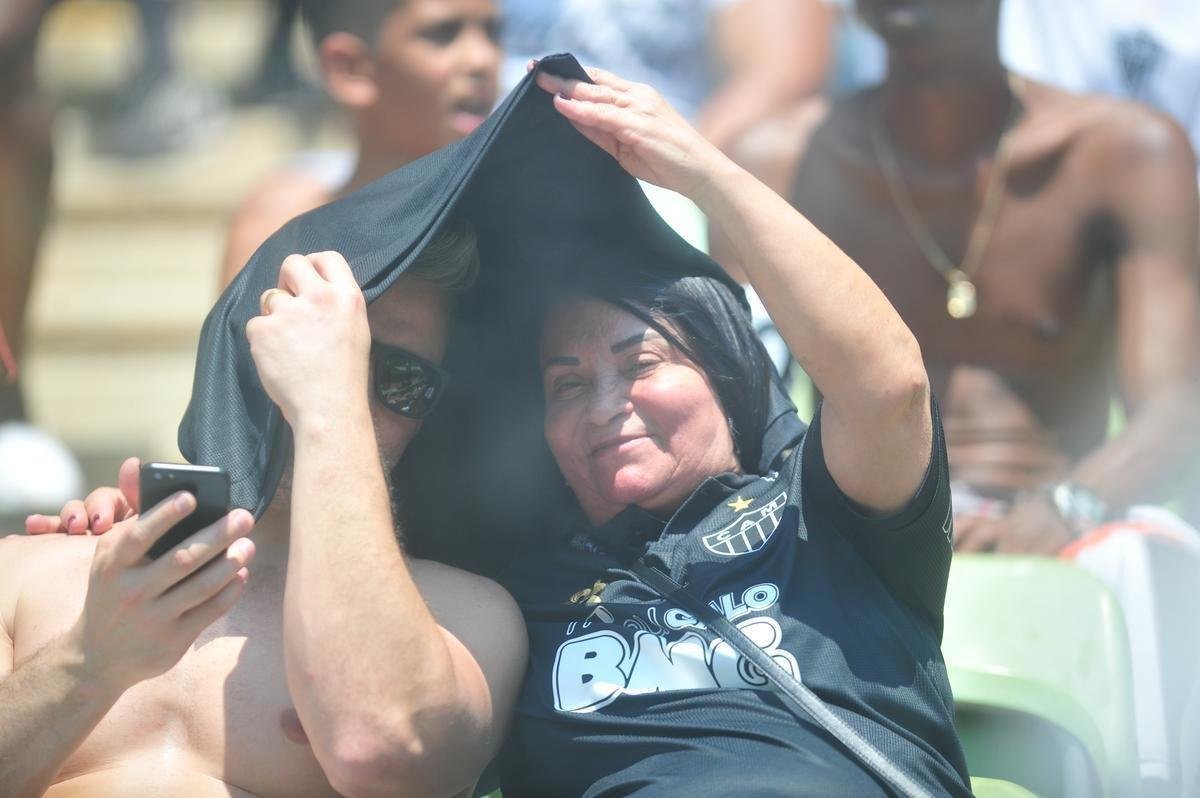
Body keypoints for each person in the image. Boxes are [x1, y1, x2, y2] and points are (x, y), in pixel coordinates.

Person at [35, 55, 971, 794]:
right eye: (563, 384)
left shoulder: (825, 514)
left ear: (728, 373)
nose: (603, 400)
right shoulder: (515, 589)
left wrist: (703, 174)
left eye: (640, 362)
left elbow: (887, 388)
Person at [724, 0, 1200, 792]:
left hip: (1069, 517)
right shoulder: (777, 163)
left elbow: (1178, 410)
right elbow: (745, 413)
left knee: (1148, 564)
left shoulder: (1123, 151)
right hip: (862, 517)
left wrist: (1072, 503)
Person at [4, 221, 527, 796]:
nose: (342, 381)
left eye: (402, 377)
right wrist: (87, 662)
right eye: (316, 345)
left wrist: (327, 405)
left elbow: (388, 753)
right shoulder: (31, 570)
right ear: (243, 342)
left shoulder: (466, 616)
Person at [220, 0, 501, 287]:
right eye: (442, 34)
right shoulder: (281, 231)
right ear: (350, 68)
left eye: (494, 33)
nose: (483, 59)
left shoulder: (521, 219)